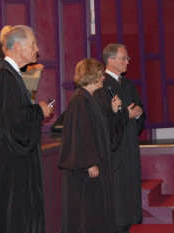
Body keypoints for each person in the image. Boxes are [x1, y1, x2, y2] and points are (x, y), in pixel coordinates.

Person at [0, 25, 53, 233]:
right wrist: (38, 111)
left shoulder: (8, 73)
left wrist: (34, 111)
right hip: (10, 167)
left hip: (9, 163)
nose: (37, 49)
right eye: (33, 44)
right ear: (19, 47)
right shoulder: (3, 76)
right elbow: (14, 124)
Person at [58, 58, 122, 233]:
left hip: (99, 162)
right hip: (88, 168)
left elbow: (102, 131)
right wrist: (89, 162)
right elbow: (81, 135)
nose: (103, 77)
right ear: (92, 75)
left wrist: (114, 112)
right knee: (88, 212)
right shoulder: (80, 100)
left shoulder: (92, 98)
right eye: (100, 74)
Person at [99, 43, 146, 233]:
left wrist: (139, 113)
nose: (127, 62)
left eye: (128, 58)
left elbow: (138, 109)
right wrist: (126, 114)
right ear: (110, 61)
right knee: (117, 191)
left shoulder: (127, 83)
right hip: (115, 149)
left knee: (129, 188)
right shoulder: (102, 84)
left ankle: (125, 224)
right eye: (123, 58)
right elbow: (104, 117)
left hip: (129, 146)